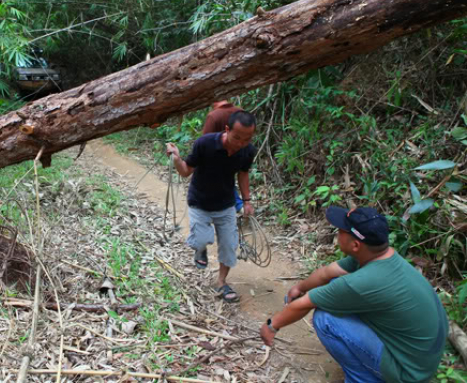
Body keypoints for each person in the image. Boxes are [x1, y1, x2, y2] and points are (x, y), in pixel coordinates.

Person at [260, 206, 448, 383]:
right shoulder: (381, 256)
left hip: (408, 372)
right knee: (334, 285)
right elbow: (327, 272)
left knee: (325, 319)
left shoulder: (360, 282)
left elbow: (304, 304)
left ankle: (363, 379)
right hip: (420, 357)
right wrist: (299, 287)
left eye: (342, 231)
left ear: (356, 244)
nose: (337, 233)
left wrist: (272, 326)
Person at [166, 110, 257, 303]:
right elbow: (185, 171)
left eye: (247, 139)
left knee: (229, 246)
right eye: (237, 137)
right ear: (227, 129)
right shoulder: (205, 144)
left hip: (225, 205)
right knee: (201, 240)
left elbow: (243, 173)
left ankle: (221, 282)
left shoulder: (248, 151)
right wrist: (176, 158)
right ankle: (200, 249)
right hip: (200, 202)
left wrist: (247, 201)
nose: (241, 143)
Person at [202, 101, 244, 212]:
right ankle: (240, 205)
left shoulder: (213, 116)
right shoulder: (241, 112)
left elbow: (204, 143)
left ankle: (238, 206)